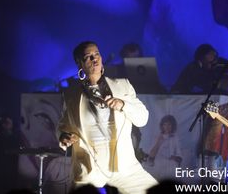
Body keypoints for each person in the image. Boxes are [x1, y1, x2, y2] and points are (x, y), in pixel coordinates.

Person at [58, 41, 158, 194]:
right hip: (89, 167)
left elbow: (142, 118)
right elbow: (63, 126)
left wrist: (123, 104)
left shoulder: (122, 85)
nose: (94, 59)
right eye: (88, 57)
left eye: (97, 54)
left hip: (125, 166)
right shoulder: (71, 95)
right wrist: (63, 136)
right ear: (80, 64)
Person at [144, 115, 182, 181]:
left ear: (172, 126)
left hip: (171, 163)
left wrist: (174, 157)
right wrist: (159, 142)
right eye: (165, 124)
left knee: (172, 167)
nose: (167, 127)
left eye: (169, 124)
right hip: (159, 162)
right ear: (162, 126)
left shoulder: (175, 138)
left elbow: (179, 155)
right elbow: (151, 155)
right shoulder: (157, 137)